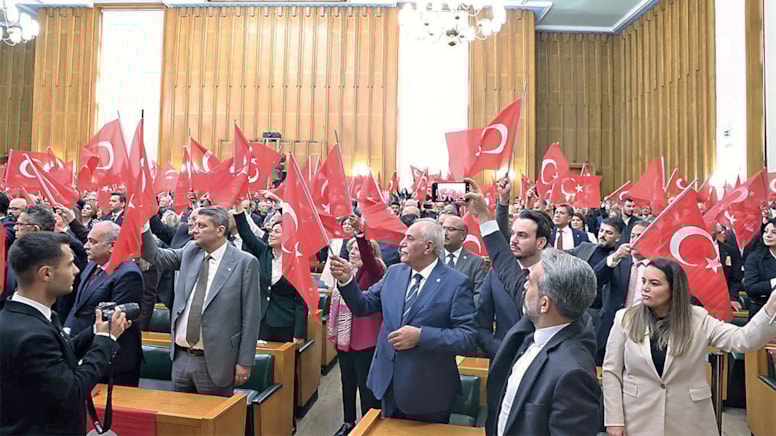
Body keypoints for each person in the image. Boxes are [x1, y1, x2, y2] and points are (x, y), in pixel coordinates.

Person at [463, 181, 600, 435]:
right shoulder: (549, 318)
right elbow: (504, 265)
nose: (522, 284)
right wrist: (484, 215)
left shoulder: (572, 373)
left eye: (529, 282)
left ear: (545, 303)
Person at [603, 258, 776, 436]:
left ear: (674, 289)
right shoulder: (625, 318)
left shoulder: (698, 318)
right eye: (644, 281)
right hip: (637, 417)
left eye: (654, 283)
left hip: (689, 420)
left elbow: (743, 340)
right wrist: (614, 420)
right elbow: (611, 372)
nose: (645, 288)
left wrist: (771, 307)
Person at [329, 218, 476, 423]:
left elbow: (467, 337)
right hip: (386, 384)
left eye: (409, 238)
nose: (401, 243)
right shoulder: (394, 273)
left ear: (428, 247)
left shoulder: (457, 283)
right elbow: (363, 306)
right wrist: (346, 280)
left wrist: (422, 336)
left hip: (428, 393)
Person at [0, 231, 130, 435]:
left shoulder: (22, 317)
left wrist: (95, 332)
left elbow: (61, 355)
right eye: (70, 264)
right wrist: (106, 340)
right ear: (46, 274)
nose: (77, 270)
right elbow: (73, 391)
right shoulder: (34, 337)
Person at [141, 207, 261, 395]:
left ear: (220, 231)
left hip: (217, 360)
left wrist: (244, 362)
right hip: (181, 356)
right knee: (182, 419)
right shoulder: (190, 251)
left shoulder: (244, 262)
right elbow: (155, 255)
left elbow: (251, 316)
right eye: (194, 224)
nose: (193, 229)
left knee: (213, 422)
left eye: (201, 226)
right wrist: (142, 226)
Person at [64, 221, 144, 386]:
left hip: (112, 362)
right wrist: (67, 331)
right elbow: (78, 306)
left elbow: (112, 321)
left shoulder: (128, 274)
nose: (86, 246)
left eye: (93, 242)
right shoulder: (92, 264)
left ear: (113, 246)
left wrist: (78, 344)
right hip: (83, 349)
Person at [329, 216, 384, 436]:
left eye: (357, 249)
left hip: (365, 340)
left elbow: (370, 261)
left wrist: (361, 236)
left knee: (365, 386)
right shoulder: (345, 272)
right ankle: (349, 422)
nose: (353, 252)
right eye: (350, 249)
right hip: (345, 339)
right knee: (347, 383)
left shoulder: (375, 271)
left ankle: (369, 424)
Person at [232, 204, 307, 345]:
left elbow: (301, 301)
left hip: (285, 323)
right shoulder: (263, 252)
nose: (271, 234)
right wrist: (238, 208)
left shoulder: (297, 262)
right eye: (271, 231)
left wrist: (299, 333)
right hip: (262, 321)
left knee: (286, 364)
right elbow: (246, 234)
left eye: (277, 232)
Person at [5, 205, 88, 318]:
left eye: (20, 224)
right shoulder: (19, 252)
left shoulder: (62, 256)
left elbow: (64, 303)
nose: (15, 228)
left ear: (35, 229)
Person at [593, 220, 649, 361]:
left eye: (640, 237)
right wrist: (615, 257)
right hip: (611, 327)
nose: (635, 241)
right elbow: (595, 280)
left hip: (643, 328)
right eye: (632, 236)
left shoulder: (658, 266)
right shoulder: (618, 260)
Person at [567, 217, 624, 336]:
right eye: (601, 230)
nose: (602, 235)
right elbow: (560, 255)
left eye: (608, 232)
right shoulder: (584, 247)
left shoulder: (621, 259)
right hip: (574, 307)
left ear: (618, 237)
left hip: (597, 312)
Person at [442, 216, 486, 303]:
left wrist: (463, 313)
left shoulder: (476, 261)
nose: (445, 233)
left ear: (463, 235)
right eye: (443, 228)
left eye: (450, 229)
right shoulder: (432, 257)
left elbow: (480, 294)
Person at [743, 218, 776, 319]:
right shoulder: (755, 258)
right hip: (762, 312)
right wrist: (773, 283)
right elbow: (750, 288)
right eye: (766, 231)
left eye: (774, 232)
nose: (768, 235)